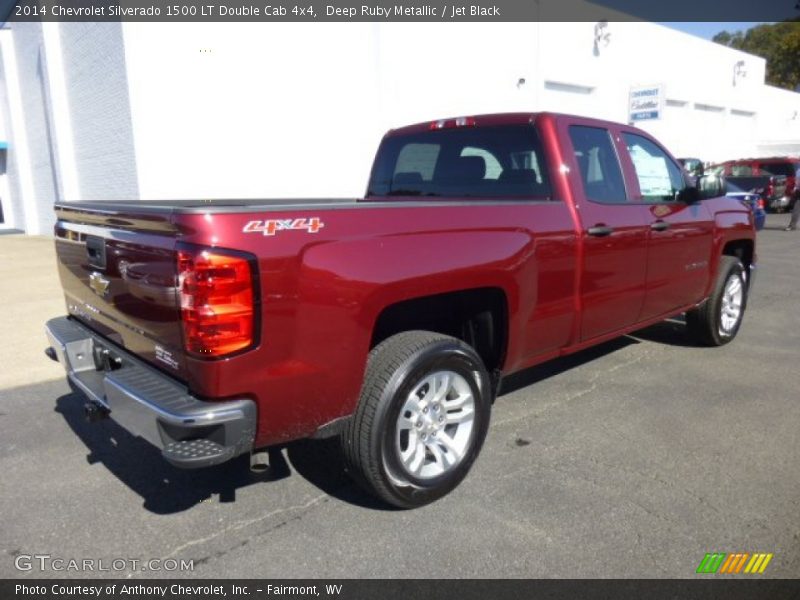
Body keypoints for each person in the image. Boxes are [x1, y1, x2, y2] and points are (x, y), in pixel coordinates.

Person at [785, 165, 800, 231]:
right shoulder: (798, 171)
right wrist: (795, 189)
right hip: (798, 192)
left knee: (796, 209)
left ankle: (792, 225)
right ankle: (792, 225)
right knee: (796, 209)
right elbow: (797, 182)